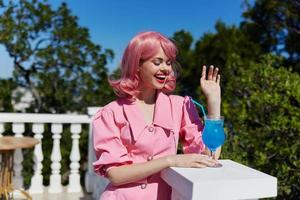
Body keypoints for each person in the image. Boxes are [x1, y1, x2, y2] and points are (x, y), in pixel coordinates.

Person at [93, 31, 222, 200]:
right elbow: (115, 175)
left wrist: (214, 101)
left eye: (168, 63)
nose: (166, 68)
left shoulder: (180, 106)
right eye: (157, 62)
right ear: (137, 65)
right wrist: (169, 161)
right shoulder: (110, 113)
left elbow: (209, 155)